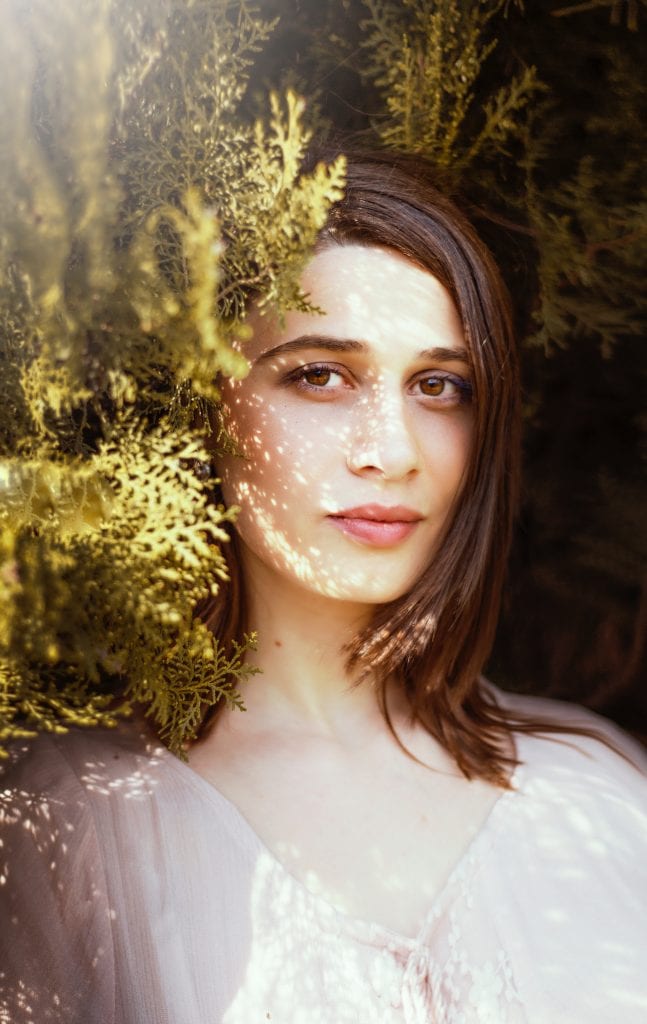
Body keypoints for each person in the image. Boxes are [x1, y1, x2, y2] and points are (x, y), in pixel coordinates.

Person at [1, 151, 646, 1024]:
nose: (393, 450)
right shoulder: (69, 825)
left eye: (438, 385)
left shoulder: (600, 797)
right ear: (206, 403)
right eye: (319, 374)